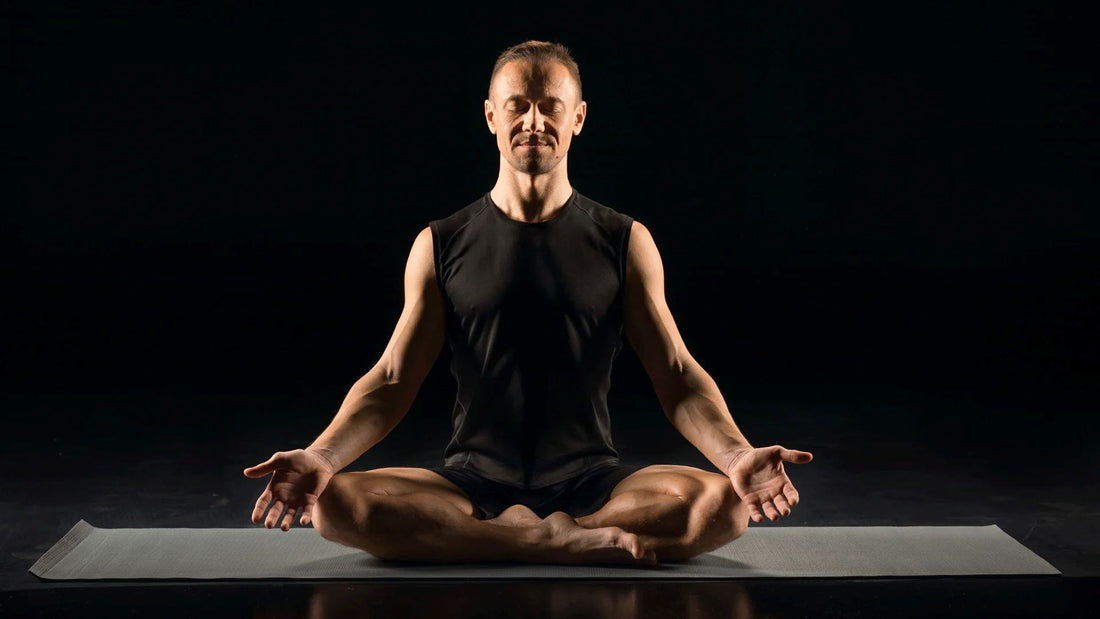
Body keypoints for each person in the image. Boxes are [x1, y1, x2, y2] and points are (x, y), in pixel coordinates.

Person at [244, 40, 813, 566]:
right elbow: (392, 380)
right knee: (336, 503)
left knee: (724, 503)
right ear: (492, 117)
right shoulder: (440, 243)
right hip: (470, 481)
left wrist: (738, 458)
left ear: (578, 118)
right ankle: (564, 543)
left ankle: (495, 543)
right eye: (517, 106)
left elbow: (677, 375)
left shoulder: (624, 240)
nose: (534, 122)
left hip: (593, 481)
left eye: (551, 107)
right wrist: (321, 457)